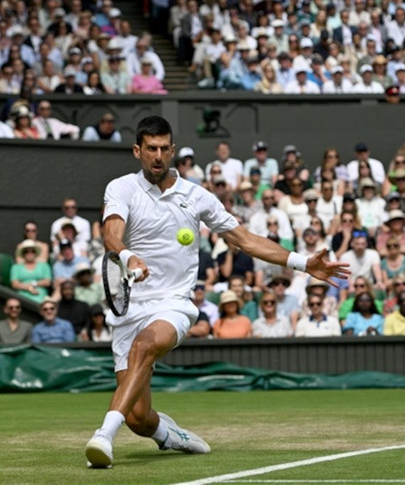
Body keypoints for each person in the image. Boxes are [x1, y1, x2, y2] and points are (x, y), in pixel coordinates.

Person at [85, 116, 348, 468]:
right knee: (139, 418)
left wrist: (302, 262)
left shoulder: (197, 196)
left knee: (145, 346)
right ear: (138, 151)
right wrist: (130, 256)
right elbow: (111, 236)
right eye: (151, 149)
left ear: (173, 150)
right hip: (130, 306)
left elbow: (244, 240)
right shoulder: (120, 188)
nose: (158, 156)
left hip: (173, 304)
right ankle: (169, 435)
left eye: (165, 148)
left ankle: (103, 435)